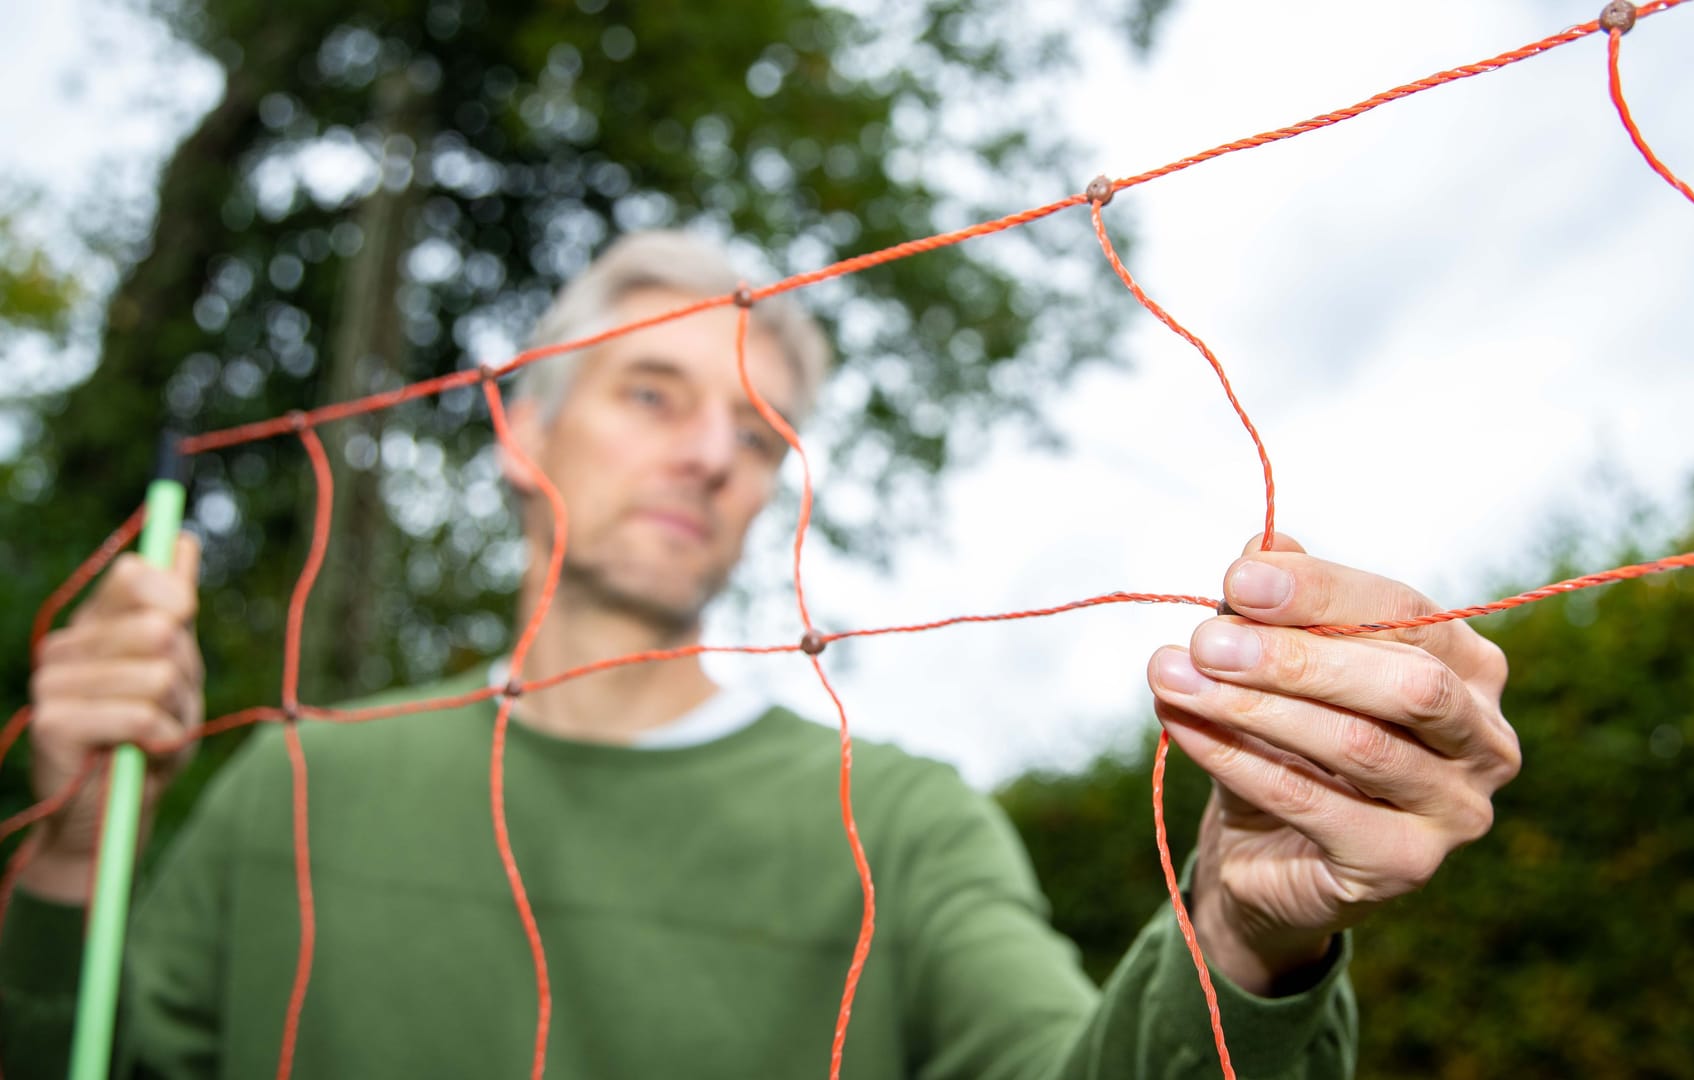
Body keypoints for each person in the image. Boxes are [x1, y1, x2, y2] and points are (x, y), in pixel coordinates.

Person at [0, 231, 1520, 1078]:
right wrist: (68, 844)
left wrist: (1246, 935)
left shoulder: (901, 822)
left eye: (758, 427)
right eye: (653, 395)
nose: (709, 453)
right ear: (522, 427)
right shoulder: (294, 780)